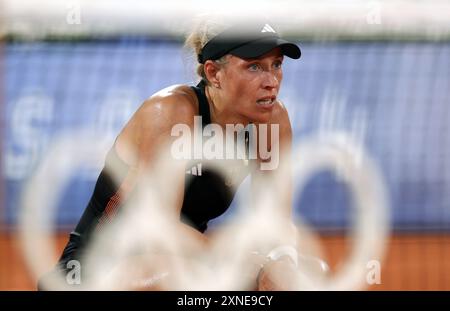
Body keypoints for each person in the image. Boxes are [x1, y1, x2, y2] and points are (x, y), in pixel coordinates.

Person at [38, 19, 320, 291]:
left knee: (309, 273)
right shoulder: (170, 112)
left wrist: (283, 259)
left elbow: (274, 218)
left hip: (184, 266)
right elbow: (158, 234)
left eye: (277, 65)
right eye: (254, 67)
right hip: (99, 270)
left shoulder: (271, 122)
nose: (271, 81)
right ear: (213, 73)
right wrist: (251, 267)